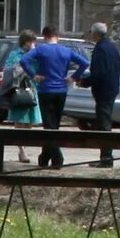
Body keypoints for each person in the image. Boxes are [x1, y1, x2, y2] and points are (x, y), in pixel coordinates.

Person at [23, 25, 84, 168]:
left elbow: (24, 61)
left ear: (44, 37)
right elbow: (84, 63)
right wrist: (74, 77)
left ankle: (57, 158)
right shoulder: (66, 51)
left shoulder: (40, 50)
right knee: (54, 125)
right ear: (58, 36)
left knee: (49, 126)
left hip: (45, 90)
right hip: (61, 90)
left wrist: (34, 75)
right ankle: (44, 158)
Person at [85, 22, 120, 166]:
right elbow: (119, 67)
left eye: (91, 33)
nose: (91, 35)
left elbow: (99, 73)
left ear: (96, 34)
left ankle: (106, 159)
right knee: (104, 122)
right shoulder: (113, 47)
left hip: (103, 90)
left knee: (104, 124)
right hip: (112, 88)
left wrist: (85, 82)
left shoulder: (100, 49)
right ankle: (106, 157)